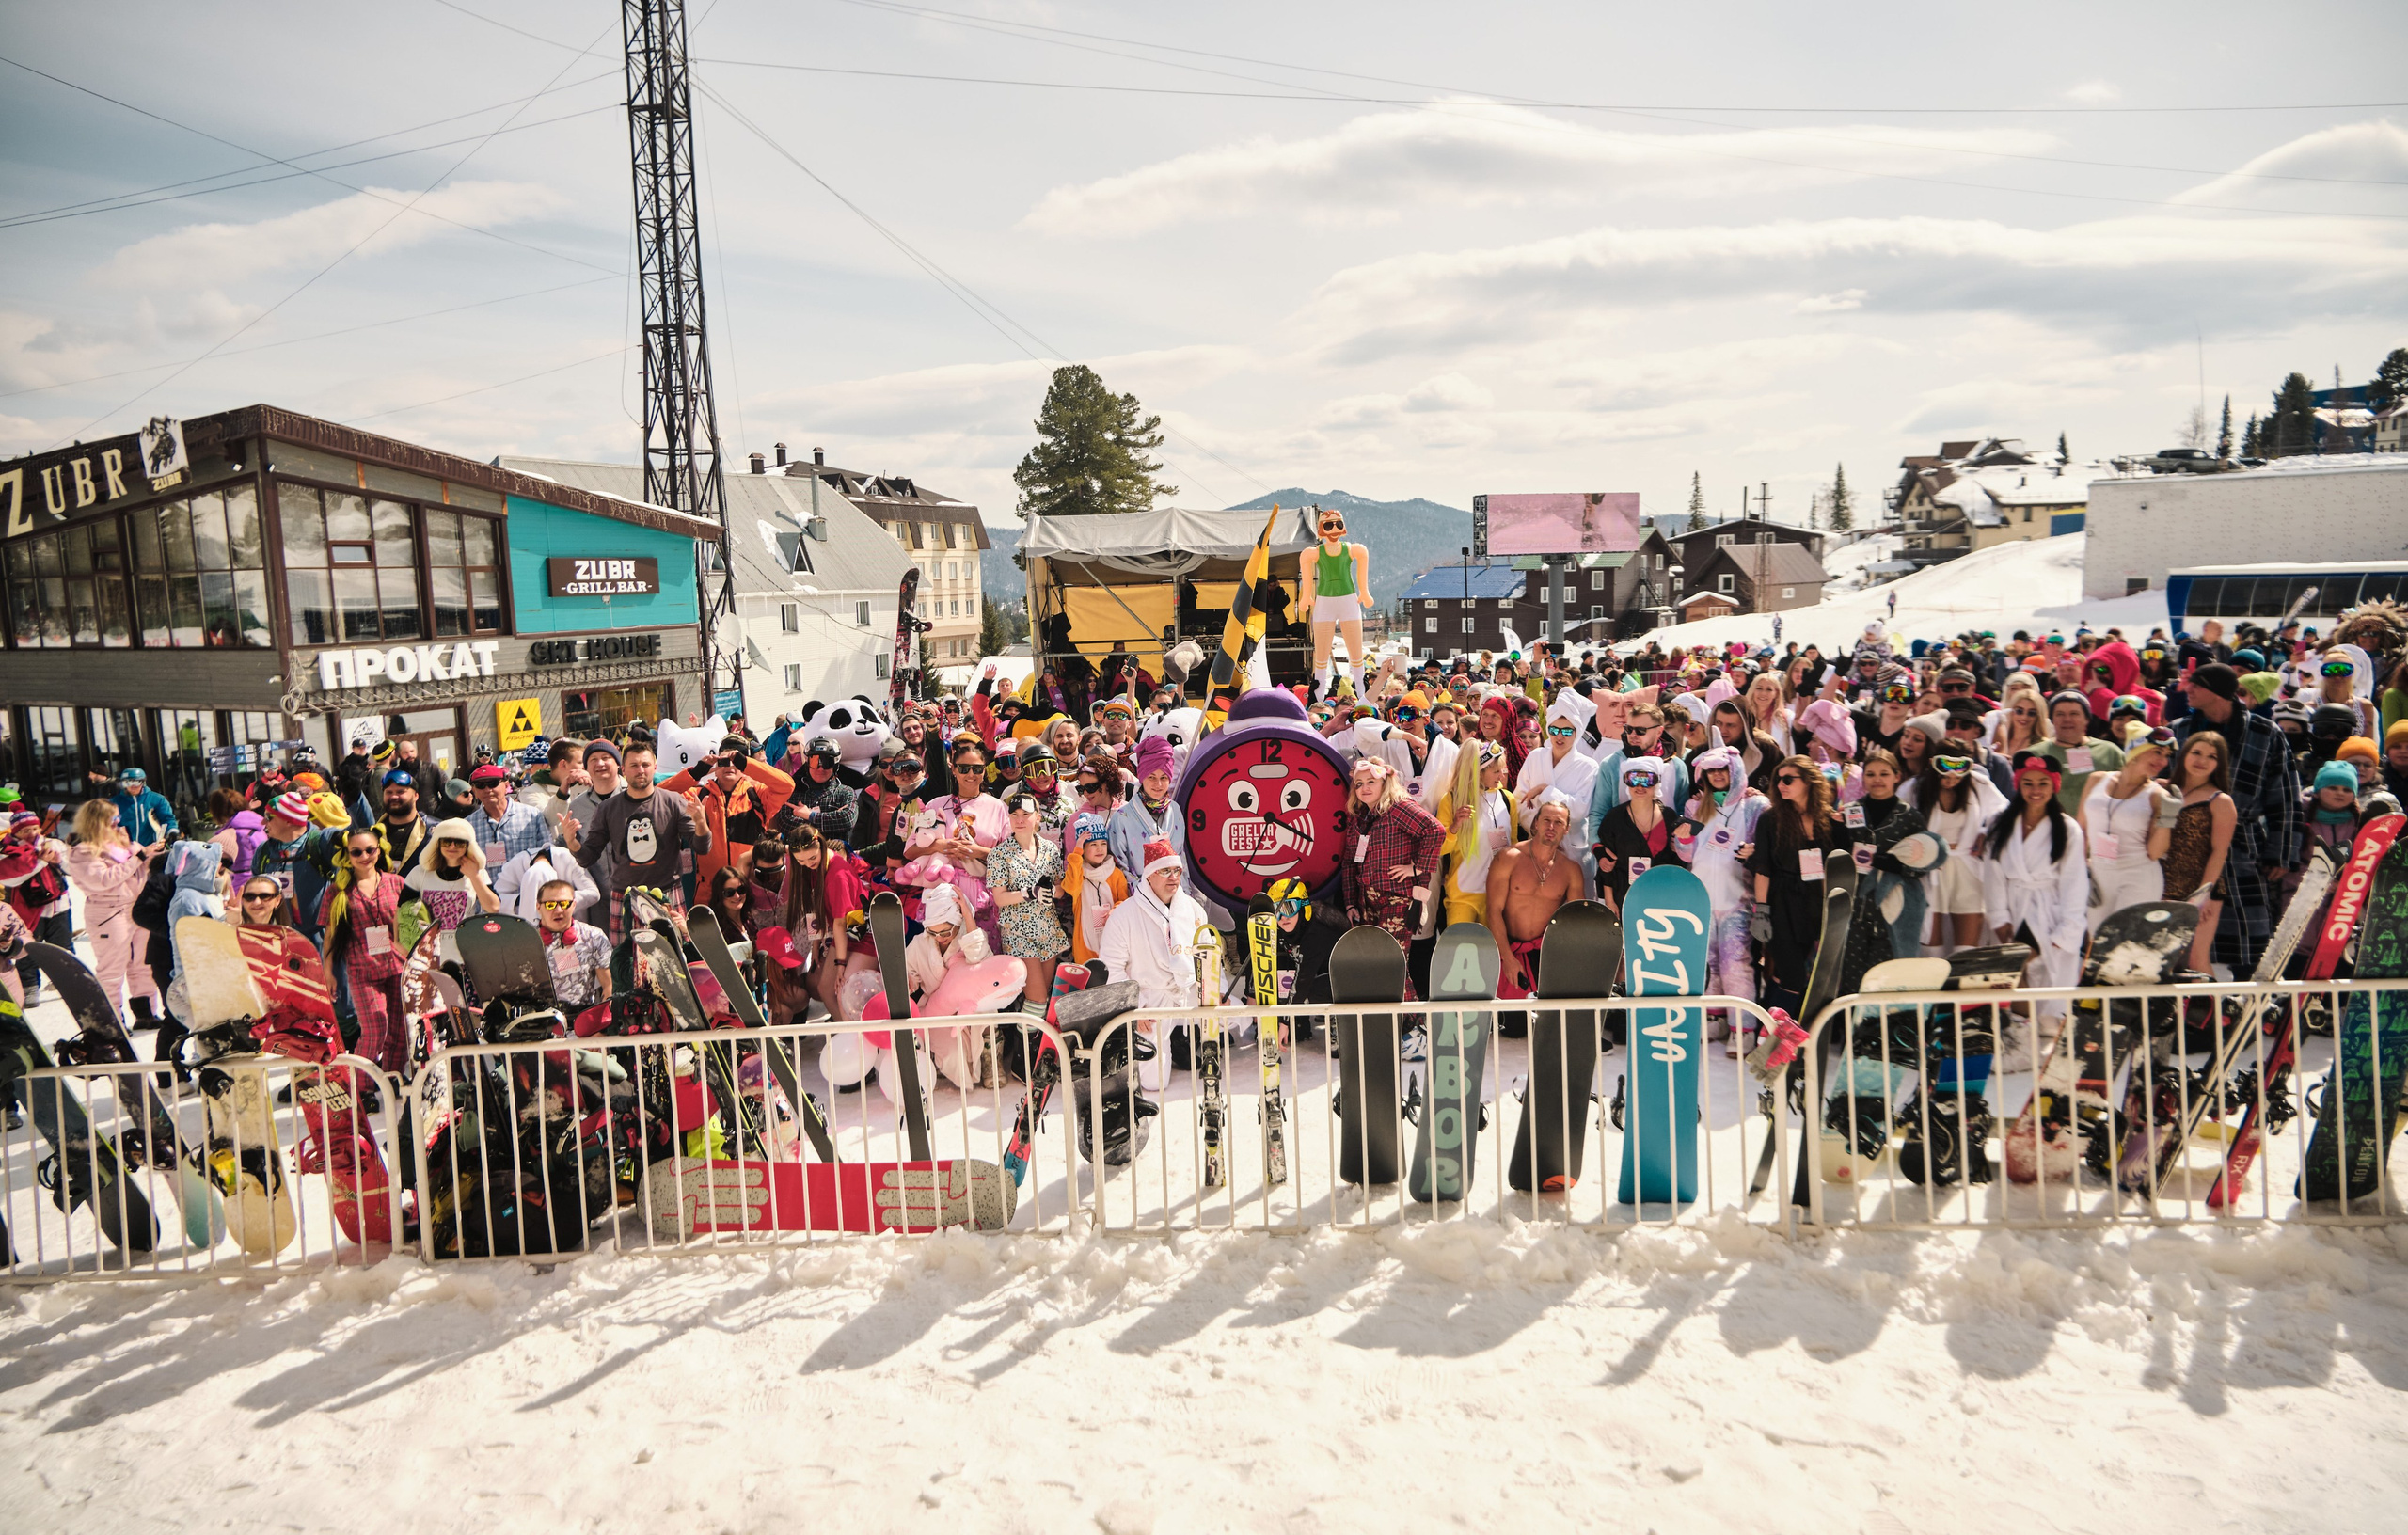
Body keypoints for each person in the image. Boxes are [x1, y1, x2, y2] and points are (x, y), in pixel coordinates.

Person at [2171, 663, 2302, 974]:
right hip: (2185, 845)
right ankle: (2187, 1007)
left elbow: (2285, 796)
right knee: (2185, 932)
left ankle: (2244, 1003)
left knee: (2247, 938)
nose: (2187, 689)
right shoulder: (2179, 730)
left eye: (2196, 685)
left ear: (2218, 691)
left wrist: (2282, 852)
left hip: (2244, 849)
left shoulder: (2265, 732)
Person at [1745, 754, 1861, 1015]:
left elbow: (1842, 867)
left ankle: (1770, 1030)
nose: (1781, 785)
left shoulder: (1831, 822)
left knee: (1793, 976)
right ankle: (1777, 1040)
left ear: (1809, 781)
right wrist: (1761, 912)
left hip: (1815, 906)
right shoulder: (1770, 819)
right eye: (1777, 780)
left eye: (1788, 779)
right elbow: (1763, 867)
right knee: (1793, 973)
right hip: (1780, 902)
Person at [1096, 837, 1210, 1090]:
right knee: (1154, 1083)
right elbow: (1111, 968)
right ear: (1149, 876)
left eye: (1177, 871)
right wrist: (1133, 1008)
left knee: (1229, 1022)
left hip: (1188, 992)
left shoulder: (1192, 909)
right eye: (1165, 871)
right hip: (1150, 1001)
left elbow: (1208, 954)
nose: (1173, 878)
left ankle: (1186, 1042)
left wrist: (1217, 989)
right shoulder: (1124, 916)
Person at [567, 742, 709, 944]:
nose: (640, 770)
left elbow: (701, 847)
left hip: (667, 893)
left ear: (655, 766)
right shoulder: (608, 808)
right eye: (633, 765)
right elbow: (588, 856)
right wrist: (573, 843)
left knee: (675, 964)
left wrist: (702, 825)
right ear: (623, 769)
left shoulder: (673, 801)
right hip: (625, 896)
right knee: (626, 966)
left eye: (645, 764)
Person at [1982, 752, 2090, 995]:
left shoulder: (2067, 828)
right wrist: (1999, 917)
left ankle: (2044, 1028)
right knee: (2015, 979)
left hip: (2051, 911)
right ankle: (2019, 1028)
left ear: (2054, 786)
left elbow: (2075, 882)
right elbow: (1993, 873)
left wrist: (2067, 930)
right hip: (2013, 907)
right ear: (2018, 785)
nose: (2035, 790)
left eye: (2043, 783)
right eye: (2028, 783)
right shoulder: (2000, 823)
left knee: (2045, 984)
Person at [64, 799, 166, 1022]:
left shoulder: (121, 841)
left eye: (118, 818)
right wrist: (137, 857)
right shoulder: (83, 850)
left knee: (142, 964)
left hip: (137, 908)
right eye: (112, 819)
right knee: (112, 969)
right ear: (97, 821)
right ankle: (111, 1019)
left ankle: (146, 1013)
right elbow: (103, 880)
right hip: (108, 912)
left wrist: (148, 851)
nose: (117, 823)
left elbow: (144, 864)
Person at [1837, 749, 1930, 993]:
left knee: (1887, 979)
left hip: (1894, 906)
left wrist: (1881, 861)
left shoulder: (1911, 817)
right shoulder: (1850, 811)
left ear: (1897, 776)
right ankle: (1849, 1030)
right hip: (1856, 908)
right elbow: (1840, 853)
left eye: (1884, 773)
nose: (1877, 779)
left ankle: (1885, 1031)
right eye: (1871, 774)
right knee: (1852, 978)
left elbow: (1920, 864)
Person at [318, 829, 408, 1072]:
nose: (365, 856)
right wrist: (328, 972)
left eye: (370, 849)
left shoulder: (397, 883)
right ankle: (361, 1084)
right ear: (347, 856)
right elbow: (330, 936)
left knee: (399, 1033)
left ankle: (391, 1079)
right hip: (362, 970)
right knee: (376, 1028)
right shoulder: (337, 891)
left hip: (399, 967)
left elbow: (411, 926)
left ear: (379, 850)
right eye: (356, 852)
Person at [1339, 757, 1444, 963]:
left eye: (1371, 781)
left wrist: (1417, 868)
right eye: (1359, 784)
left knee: (1390, 962)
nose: (1364, 788)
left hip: (1397, 898)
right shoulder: (1359, 817)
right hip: (1366, 900)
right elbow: (1350, 862)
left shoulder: (1399, 808)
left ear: (1385, 783)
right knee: (1374, 963)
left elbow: (1435, 830)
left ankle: (1406, 997)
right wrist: (1350, 903)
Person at [1685, 745, 1766, 1008]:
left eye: (1723, 768)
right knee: (1707, 962)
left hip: (1738, 898)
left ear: (1735, 769)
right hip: (1702, 898)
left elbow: (1765, 849)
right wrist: (1683, 838)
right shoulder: (1696, 806)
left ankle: (1741, 1027)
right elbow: (1688, 854)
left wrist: (1753, 851)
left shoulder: (1755, 805)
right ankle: (1714, 1017)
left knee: (1735, 962)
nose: (1717, 775)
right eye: (1711, 770)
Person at [663, 735, 795, 891]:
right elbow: (659, 795)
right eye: (724, 761)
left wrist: (747, 764)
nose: (730, 766)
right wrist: (697, 772)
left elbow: (787, 785)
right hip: (709, 890)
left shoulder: (758, 797)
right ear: (716, 765)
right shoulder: (698, 796)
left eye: (736, 762)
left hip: (749, 888)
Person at [1482, 796, 1583, 998]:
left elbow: (1574, 922)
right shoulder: (1508, 858)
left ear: (1567, 828)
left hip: (1546, 954)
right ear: (1536, 822)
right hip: (1506, 948)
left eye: (1558, 823)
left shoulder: (1571, 870)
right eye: (1546, 820)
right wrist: (1508, 958)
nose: (1551, 827)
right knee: (1513, 1026)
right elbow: (1493, 910)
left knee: (1546, 1021)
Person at [2081, 723, 2178, 930]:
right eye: (2157, 752)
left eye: (2167, 755)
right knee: (2095, 945)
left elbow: (2155, 852)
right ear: (2137, 749)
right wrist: (2081, 871)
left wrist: (2168, 818)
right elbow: (2080, 830)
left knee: (2121, 946)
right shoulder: (2096, 780)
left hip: (2138, 877)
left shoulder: (2158, 796)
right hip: (2098, 875)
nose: (2163, 761)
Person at [989, 790, 1068, 1007]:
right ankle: (1028, 1038)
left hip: (1048, 930)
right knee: (1038, 997)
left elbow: (1060, 888)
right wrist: (1029, 893)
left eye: (1026, 813)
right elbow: (999, 898)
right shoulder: (999, 854)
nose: (1020, 819)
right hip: (1018, 934)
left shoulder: (1050, 849)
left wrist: (1052, 892)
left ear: (1038, 817)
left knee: (1045, 998)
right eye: (1014, 814)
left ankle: (1030, 1040)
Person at [1437, 740, 1514, 927]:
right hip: (1463, 894)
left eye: (1502, 770)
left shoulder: (1507, 798)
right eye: (1495, 771)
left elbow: (1514, 843)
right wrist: (1455, 826)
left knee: (1491, 955)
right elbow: (1438, 848)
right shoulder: (1452, 799)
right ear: (1479, 772)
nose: (1501, 775)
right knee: (1459, 953)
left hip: (1497, 894)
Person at [1593, 759, 1684, 914]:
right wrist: (1609, 901)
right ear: (1627, 783)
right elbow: (1607, 866)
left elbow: (1674, 860)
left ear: (1656, 783)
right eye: (1633, 779)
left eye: (1647, 780)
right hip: (1623, 896)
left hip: (1659, 897)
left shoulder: (1669, 817)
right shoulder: (1614, 817)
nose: (1640, 787)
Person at [1106, 736, 1182, 889]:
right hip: (1139, 898)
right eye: (1151, 777)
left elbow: (1182, 858)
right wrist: (1148, 891)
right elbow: (1119, 866)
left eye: (1163, 777)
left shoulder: (1175, 810)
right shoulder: (1121, 818)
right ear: (1141, 777)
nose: (1158, 784)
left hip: (1176, 895)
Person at [404, 820, 503, 938]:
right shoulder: (419, 873)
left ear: (468, 845)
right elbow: (402, 910)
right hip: (426, 948)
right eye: (446, 841)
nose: (452, 846)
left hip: (464, 945)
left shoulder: (478, 873)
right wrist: (399, 943)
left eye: (459, 842)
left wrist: (474, 876)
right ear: (438, 843)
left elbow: (494, 908)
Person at [533, 877, 613, 1015]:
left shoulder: (594, 936)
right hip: (539, 1023)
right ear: (538, 907)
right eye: (550, 905)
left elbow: (609, 986)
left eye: (564, 903)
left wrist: (603, 1023)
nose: (558, 910)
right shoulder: (526, 941)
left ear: (574, 905)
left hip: (581, 1021)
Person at [2034, 691, 2119, 815]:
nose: (2067, 719)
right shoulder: (2035, 754)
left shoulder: (2110, 753)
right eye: (2060, 714)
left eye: (2074, 714)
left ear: (2087, 719)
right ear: (2051, 720)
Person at [1060, 812, 1127, 967]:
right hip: (1085, 943)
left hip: (1114, 940)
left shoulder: (1115, 874)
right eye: (1093, 844)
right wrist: (1076, 853)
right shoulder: (1079, 874)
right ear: (1083, 848)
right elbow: (1071, 887)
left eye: (1103, 843)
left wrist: (1114, 910)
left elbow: (1124, 901)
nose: (1100, 849)